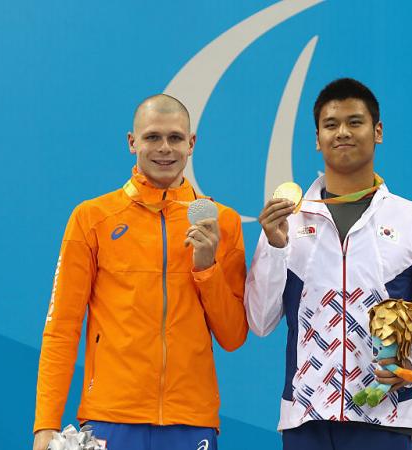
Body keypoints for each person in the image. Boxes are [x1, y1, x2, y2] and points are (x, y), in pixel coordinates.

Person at [244, 78, 412, 450]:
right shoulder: (286, 221)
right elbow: (260, 322)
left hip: (386, 418)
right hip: (306, 418)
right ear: (317, 138)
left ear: (377, 132)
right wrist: (275, 248)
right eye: (331, 125)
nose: (342, 132)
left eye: (355, 122)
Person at [32, 94, 248, 450]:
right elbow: (61, 329)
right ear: (132, 143)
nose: (165, 148)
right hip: (110, 418)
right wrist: (45, 425)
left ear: (191, 144)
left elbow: (233, 335)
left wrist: (206, 267)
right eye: (152, 137)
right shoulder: (92, 218)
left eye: (176, 138)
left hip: (190, 420)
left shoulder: (221, 221)